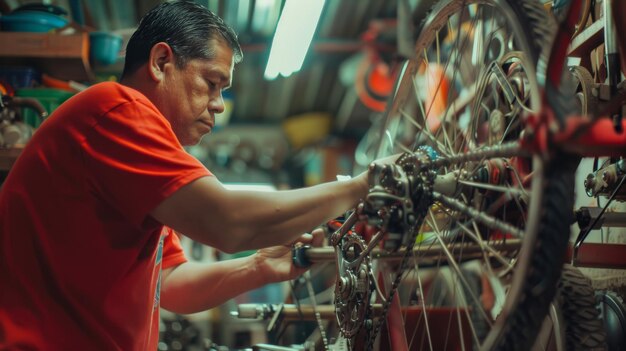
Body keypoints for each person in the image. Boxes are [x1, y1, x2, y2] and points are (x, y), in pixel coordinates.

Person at [0, 1, 383, 350]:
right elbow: (226, 222)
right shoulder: (116, 110)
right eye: (211, 83)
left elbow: (171, 282)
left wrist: (258, 267)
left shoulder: (139, 154)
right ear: (161, 61)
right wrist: (361, 186)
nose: (218, 105)